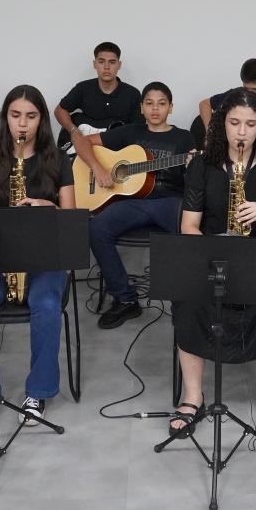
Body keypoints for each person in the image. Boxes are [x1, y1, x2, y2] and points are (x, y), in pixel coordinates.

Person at [170, 89, 256, 439]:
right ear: (221, 125)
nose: (241, 132)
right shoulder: (202, 165)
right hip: (211, 255)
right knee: (187, 298)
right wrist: (210, 255)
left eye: (250, 124)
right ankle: (193, 395)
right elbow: (189, 226)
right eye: (234, 123)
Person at [0, 85, 76, 434]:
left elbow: (71, 221)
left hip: (44, 257)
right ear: (5, 118)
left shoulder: (59, 160)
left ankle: (37, 393)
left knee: (47, 306)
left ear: (41, 120)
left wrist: (48, 206)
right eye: (15, 115)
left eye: (30, 116)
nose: (22, 123)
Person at [87, 82, 196, 329]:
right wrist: (98, 168)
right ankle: (125, 299)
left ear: (170, 107)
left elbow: (195, 179)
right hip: (132, 202)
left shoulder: (183, 137)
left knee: (192, 233)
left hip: (170, 201)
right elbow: (84, 142)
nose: (155, 109)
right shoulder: (130, 132)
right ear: (141, 107)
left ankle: (186, 304)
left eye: (161, 103)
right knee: (97, 229)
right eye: (149, 103)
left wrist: (194, 167)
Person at [54, 42, 144, 154]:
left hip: (115, 154)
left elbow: (139, 130)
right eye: (101, 62)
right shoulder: (83, 88)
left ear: (119, 65)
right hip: (82, 153)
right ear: (94, 64)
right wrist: (72, 129)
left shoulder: (133, 94)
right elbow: (60, 109)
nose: (106, 67)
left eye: (112, 62)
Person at [198, 59, 256, 132]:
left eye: (255, 89)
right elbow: (205, 104)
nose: (250, 93)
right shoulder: (236, 94)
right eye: (246, 88)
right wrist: (210, 130)